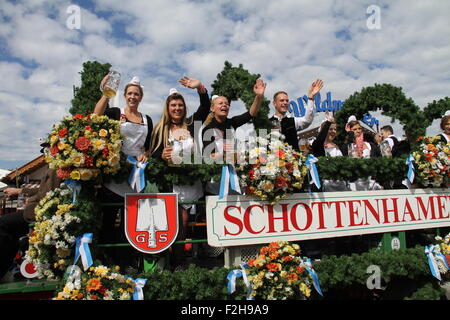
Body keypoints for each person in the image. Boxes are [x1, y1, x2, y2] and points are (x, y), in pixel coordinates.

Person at [150, 76, 210, 269]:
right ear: (168, 108)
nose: (177, 108)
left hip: (191, 182)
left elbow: (206, 107)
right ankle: (176, 262)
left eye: (180, 105)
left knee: (184, 223)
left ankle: (179, 262)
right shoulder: (161, 128)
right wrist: (162, 155)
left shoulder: (192, 124)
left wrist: (199, 88)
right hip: (171, 184)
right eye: (173, 105)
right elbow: (154, 153)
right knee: (178, 223)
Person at [200, 79, 267, 195]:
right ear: (212, 108)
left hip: (234, 179)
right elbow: (207, 156)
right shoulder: (207, 129)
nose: (224, 105)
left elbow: (251, 113)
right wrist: (222, 151)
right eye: (220, 103)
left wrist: (259, 97)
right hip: (215, 184)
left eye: (226, 103)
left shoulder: (232, 123)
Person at [0, 165, 61, 281]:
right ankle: (6, 268)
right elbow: (43, 190)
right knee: (10, 228)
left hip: (41, 212)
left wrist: (31, 199)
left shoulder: (56, 168)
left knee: (3, 224)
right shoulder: (54, 166)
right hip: (39, 210)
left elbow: (49, 193)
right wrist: (20, 191)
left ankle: (3, 270)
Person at [269, 79, 324, 151]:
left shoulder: (293, 121)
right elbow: (261, 146)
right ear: (274, 103)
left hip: (293, 161)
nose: (285, 103)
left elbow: (307, 120)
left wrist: (311, 98)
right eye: (282, 100)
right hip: (273, 161)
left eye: (287, 100)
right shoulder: (265, 123)